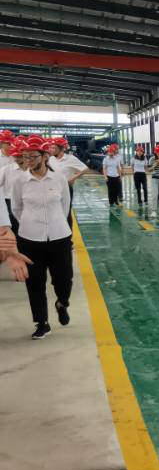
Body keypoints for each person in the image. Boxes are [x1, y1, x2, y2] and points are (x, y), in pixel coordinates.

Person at [11, 137, 72, 339]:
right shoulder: (20, 181)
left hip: (59, 237)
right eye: (25, 156)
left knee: (64, 279)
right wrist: (32, 224)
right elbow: (16, 208)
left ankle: (62, 303)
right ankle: (42, 322)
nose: (28, 160)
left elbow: (65, 206)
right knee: (35, 283)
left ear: (45, 156)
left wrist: (55, 223)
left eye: (33, 156)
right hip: (29, 240)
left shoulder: (59, 179)